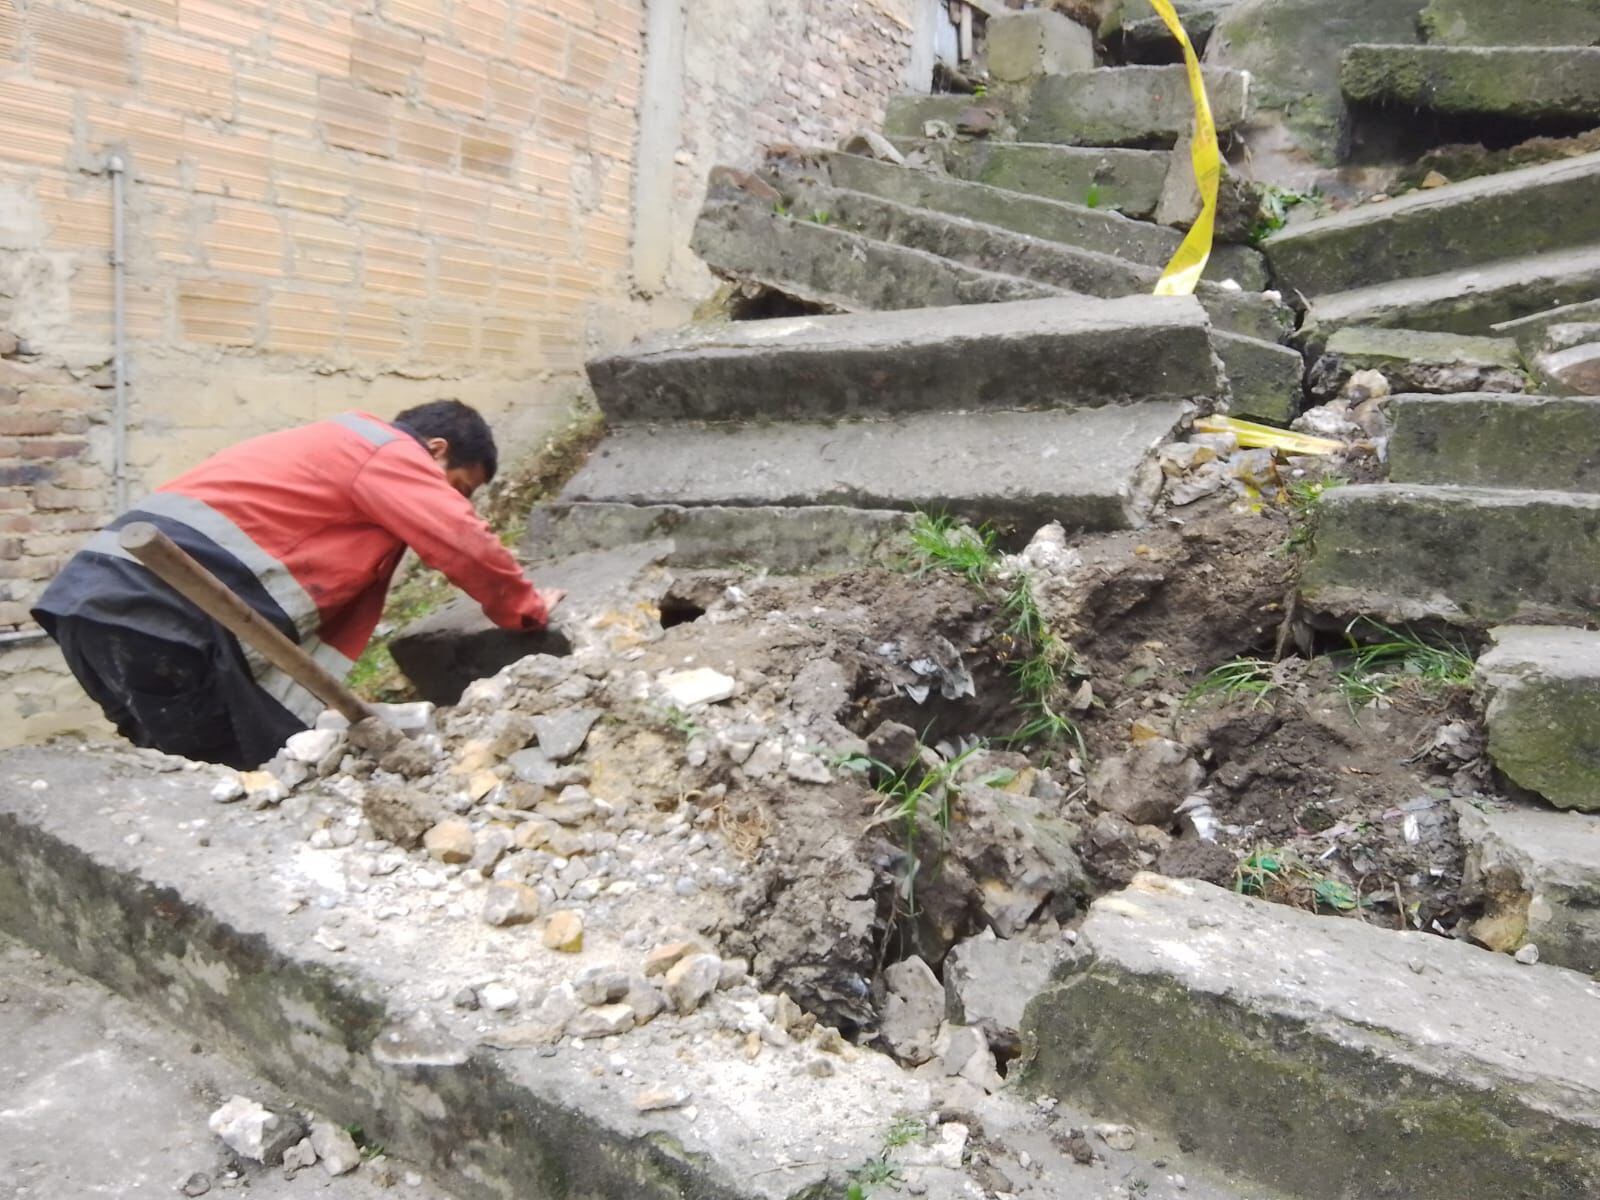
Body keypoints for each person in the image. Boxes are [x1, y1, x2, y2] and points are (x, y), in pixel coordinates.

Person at [32, 400, 563, 769]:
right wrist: (527, 608)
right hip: (158, 609)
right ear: (436, 449)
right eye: (458, 486)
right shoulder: (387, 451)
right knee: (236, 772)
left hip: (97, 604)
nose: (457, 501)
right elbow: (460, 539)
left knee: (187, 764)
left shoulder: (332, 443)